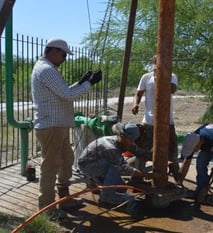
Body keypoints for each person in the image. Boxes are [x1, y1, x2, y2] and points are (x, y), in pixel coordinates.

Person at [31, 38, 102, 216]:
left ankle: (64, 198)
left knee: (66, 161)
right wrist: (89, 84)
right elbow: (67, 95)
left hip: (58, 125)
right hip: (51, 126)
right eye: (63, 55)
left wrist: (80, 83)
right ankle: (47, 208)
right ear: (54, 51)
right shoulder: (46, 69)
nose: (65, 59)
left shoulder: (49, 69)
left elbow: (62, 93)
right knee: (51, 166)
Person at [78, 122, 153, 210]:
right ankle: (106, 197)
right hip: (87, 164)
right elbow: (125, 169)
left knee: (121, 189)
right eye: (131, 140)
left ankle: (99, 181)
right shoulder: (111, 148)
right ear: (122, 136)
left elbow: (140, 152)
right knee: (115, 166)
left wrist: (157, 158)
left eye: (134, 140)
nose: (132, 142)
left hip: (98, 162)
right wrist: (148, 175)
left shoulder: (125, 142)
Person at [131, 55, 180, 182]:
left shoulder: (172, 76)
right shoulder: (146, 77)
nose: (155, 70)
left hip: (167, 122)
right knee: (142, 151)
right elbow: (139, 93)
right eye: (155, 67)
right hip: (148, 121)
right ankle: (137, 178)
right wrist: (136, 104)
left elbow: (172, 89)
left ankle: (177, 178)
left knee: (172, 151)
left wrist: (161, 77)